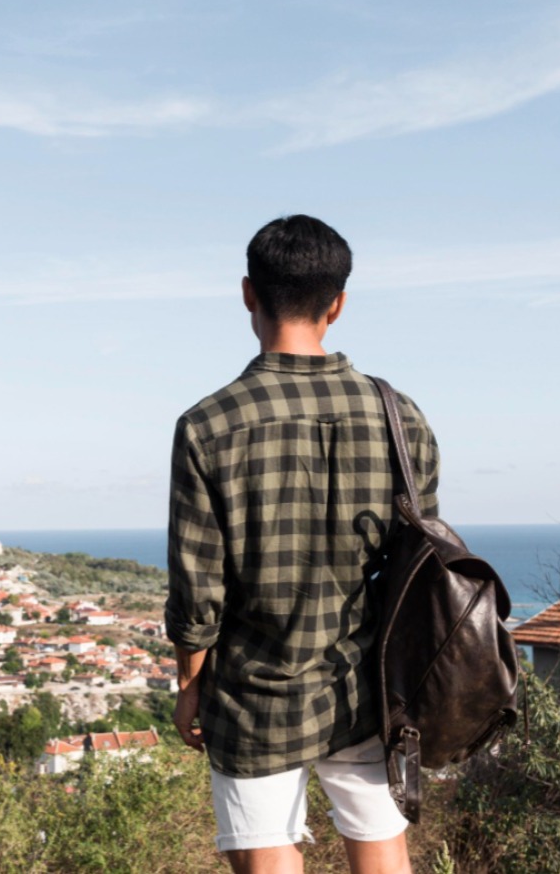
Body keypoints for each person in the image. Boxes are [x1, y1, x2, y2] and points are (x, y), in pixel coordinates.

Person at [165, 214, 440, 874]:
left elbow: (198, 590)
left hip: (253, 696)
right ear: (337, 304)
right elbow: (418, 567)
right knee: (383, 851)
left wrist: (187, 685)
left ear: (247, 294)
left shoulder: (208, 424)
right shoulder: (399, 416)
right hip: (367, 687)